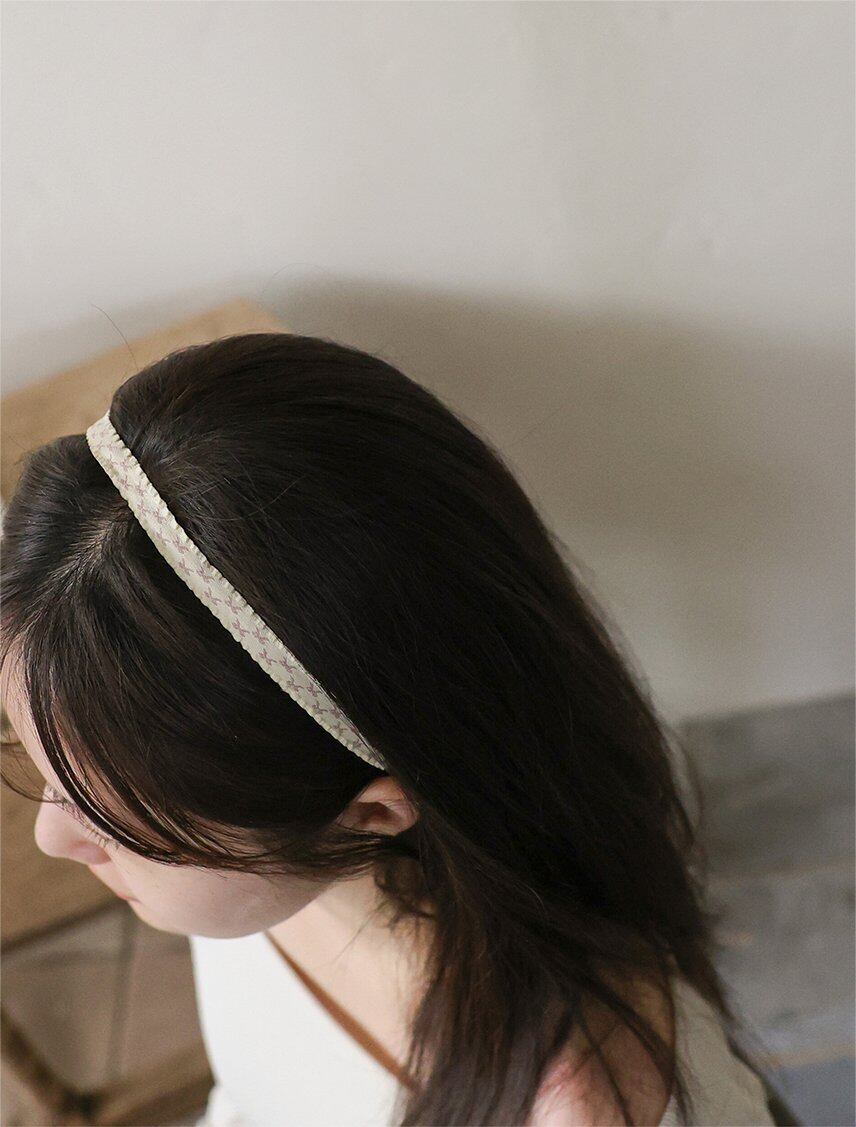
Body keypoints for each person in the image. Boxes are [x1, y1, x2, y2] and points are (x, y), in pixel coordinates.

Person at [0, 332, 780, 1126]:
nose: (51, 838)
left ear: (371, 811)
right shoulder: (273, 847)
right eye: (52, 775)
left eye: (113, 817)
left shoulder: (583, 1109)